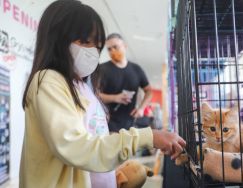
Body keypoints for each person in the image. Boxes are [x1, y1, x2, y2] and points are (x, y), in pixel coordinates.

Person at [19, 1, 186, 188]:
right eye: (84, 42)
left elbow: (92, 140)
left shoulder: (80, 85)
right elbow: (76, 147)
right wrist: (147, 137)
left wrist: (111, 173)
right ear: (57, 38)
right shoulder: (49, 81)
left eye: (97, 46)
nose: (92, 52)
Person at [98, 33, 152, 132]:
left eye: (115, 47)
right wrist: (115, 98)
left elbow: (149, 91)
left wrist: (141, 108)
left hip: (131, 126)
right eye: (109, 49)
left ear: (125, 46)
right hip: (107, 125)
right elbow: (94, 95)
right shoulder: (101, 70)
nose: (112, 51)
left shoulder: (136, 69)